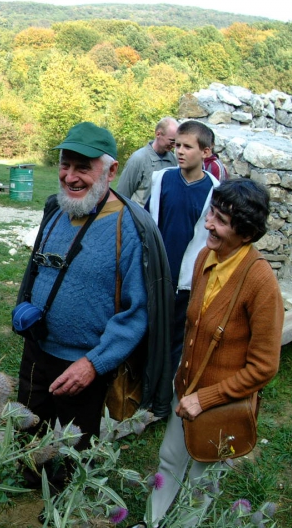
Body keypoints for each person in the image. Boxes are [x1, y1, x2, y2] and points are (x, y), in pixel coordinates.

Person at [15, 122, 173, 489]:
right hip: (38, 350)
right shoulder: (56, 210)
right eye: (65, 165)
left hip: (85, 364)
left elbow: (138, 312)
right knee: (27, 425)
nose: (70, 176)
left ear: (111, 170)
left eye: (83, 168)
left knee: (76, 443)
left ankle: (65, 500)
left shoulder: (129, 228)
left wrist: (94, 364)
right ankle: (26, 477)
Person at [121, 179, 283, 528]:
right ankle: (151, 525)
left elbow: (265, 367)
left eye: (221, 220)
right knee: (169, 462)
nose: (208, 223)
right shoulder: (205, 258)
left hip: (222, 405)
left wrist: (206, 398)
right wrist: (183, 385)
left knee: (201, 480)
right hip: (188, 389)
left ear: (246, 232)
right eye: (212, 212)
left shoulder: (261, 283)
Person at [147, 120, 220, 376]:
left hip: (186, 282)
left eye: (187, 147)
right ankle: (140, 391)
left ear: (206, 152)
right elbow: (147, 222)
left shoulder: (214, 190)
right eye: (177, 145)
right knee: (147, 333)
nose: (179, 151)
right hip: (155, 275)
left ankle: (165, 395)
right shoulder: (161, 179)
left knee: (175, 339)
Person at [116, 117, 178, 206]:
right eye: (172, 141)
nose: (174, 145)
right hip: (140, 218)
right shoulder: (138, 159)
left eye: (176, 142)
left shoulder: (173, 160)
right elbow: (122, 194)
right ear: (158, 134)